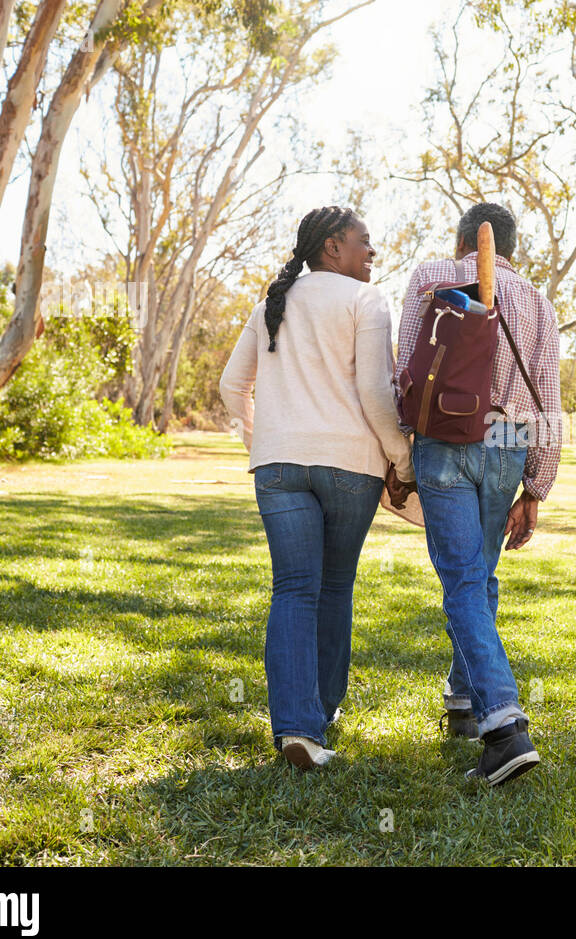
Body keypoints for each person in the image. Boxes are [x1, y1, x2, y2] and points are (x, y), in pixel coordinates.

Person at [220, 206, 415, 771]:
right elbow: (378, 396)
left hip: (278, 468)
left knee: (293, 590)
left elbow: (235, 388)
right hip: (350, 467)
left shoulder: (270, 306)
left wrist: (266, 440)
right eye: (364, 242)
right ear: (332, 247)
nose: (371, 254)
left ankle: (296, 729)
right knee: (333, 588)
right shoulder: (367, 301)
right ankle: (321, 715)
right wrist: (401, 461)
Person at [395, 202, 563, 787]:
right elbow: (547, 399)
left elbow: (406, 372)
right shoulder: (539, 303)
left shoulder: (430, 277)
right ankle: (463, 700)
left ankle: (504, 726)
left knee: (464, 580)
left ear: (462, 239)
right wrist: (536, 486)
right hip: (510, 441)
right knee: (480, 575)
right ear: (512, 247)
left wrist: (402, 451)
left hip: (444, 440)